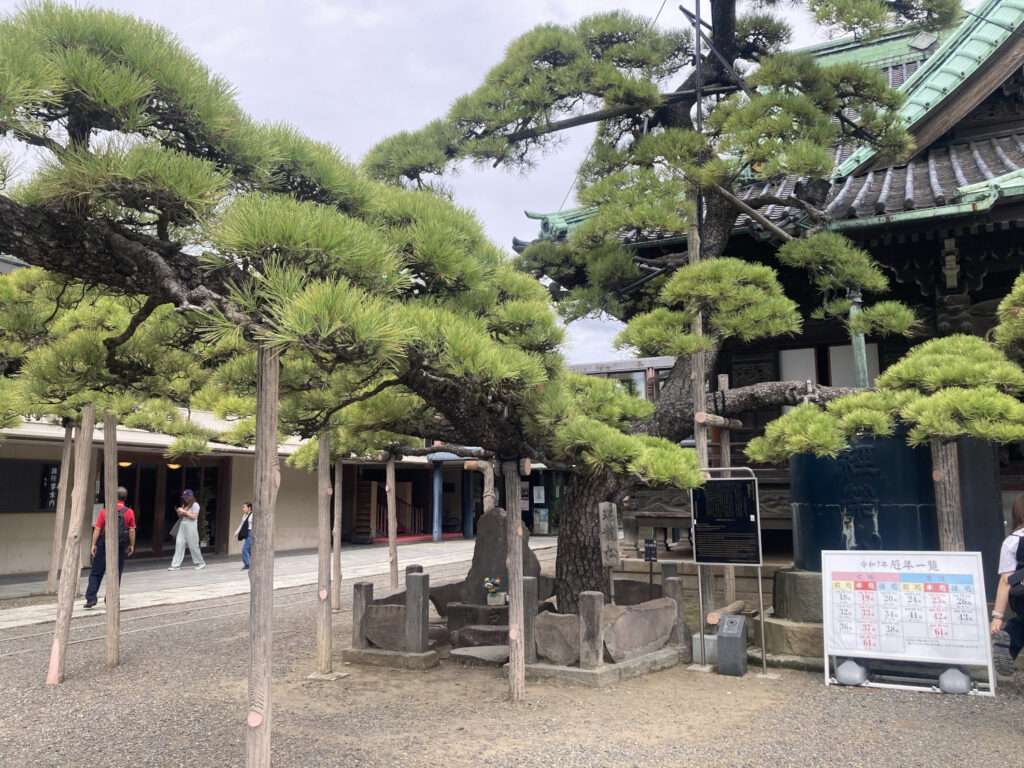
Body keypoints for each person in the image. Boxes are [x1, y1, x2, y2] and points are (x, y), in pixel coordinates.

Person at [84, 486, 135, 608]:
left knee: (96, 572)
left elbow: (98, 529)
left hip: (104, 544)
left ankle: (91, 598)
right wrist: (131, 545)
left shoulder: (105, 511)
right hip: (120, 546)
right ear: (125, 498)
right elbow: (132, 530)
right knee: (116, 572)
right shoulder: (129, 512)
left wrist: (93, 544)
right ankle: (111, 598)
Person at [991, 495, 1024, 677]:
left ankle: (1008, 641)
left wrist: (997, 616)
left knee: (1021, 623)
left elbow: (1005, 581)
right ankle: (1009, 639)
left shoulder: (1013, 541)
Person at [168, 489, 206, 570]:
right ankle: (175, 564)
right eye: (184, 497)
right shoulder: (185, 505)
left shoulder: (195, 505)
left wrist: (184, 512)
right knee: (179, 544)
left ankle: (200, 562)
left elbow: (194, 517)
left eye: (186, 497)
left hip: (191, 526)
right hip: (182, 526)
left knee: (193, 545)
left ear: (191, 496)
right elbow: (181, 516)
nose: (185, 499)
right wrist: (179, 512)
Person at [235, 501, 253, 571]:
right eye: (243, 507)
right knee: (249, 550)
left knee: (245, 549)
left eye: (244, 507)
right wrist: (236, 532)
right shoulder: (244, 516)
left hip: (251, 533)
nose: (243, 509)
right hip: (246, 533)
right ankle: (252, 563)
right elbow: (241, 525)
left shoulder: (253, 515)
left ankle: (247, 565)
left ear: (249, 508)